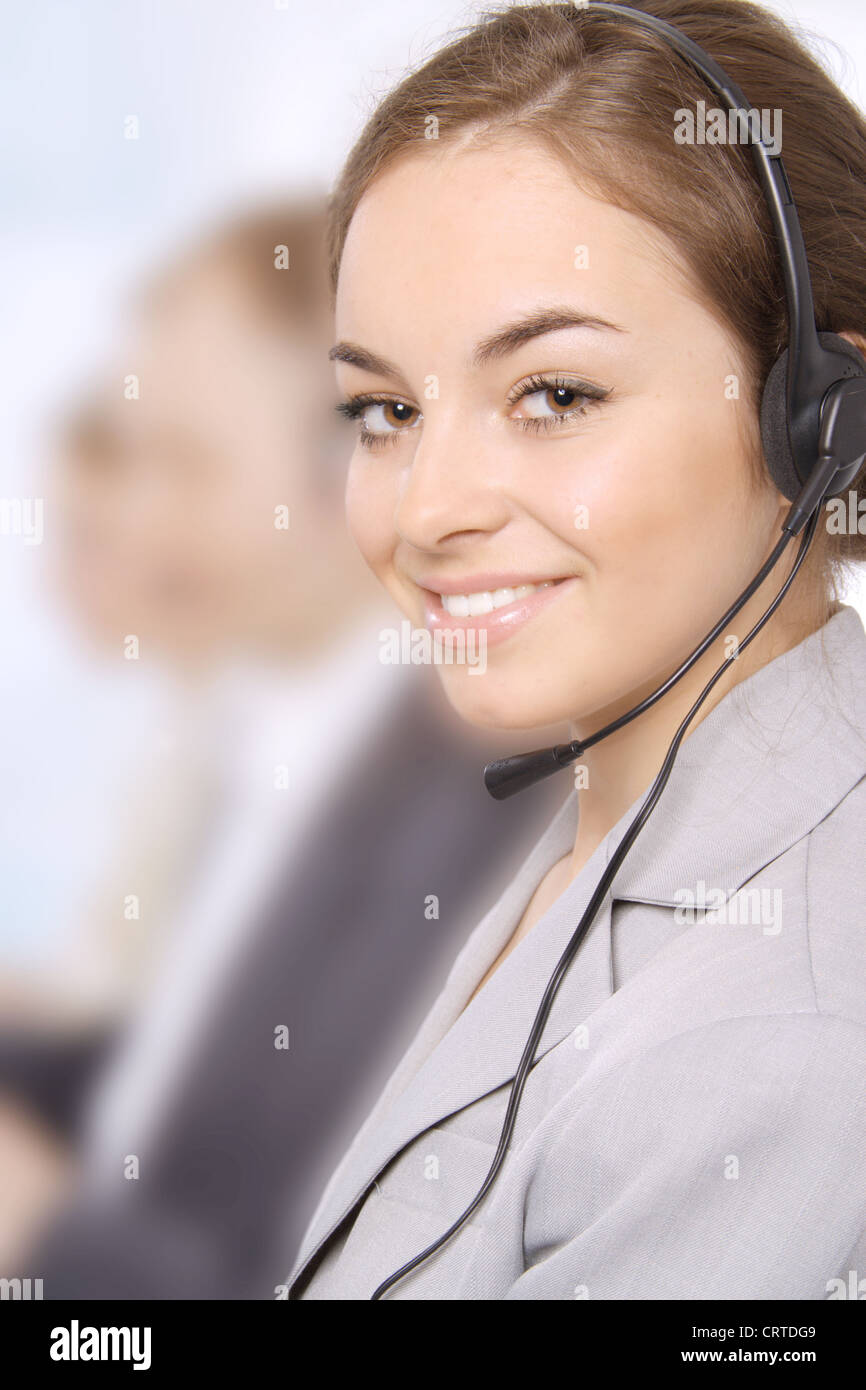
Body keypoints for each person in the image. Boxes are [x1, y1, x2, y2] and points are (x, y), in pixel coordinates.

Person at [284, 0, 866, 1300]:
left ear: (816, 427)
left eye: (553, 394)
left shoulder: (772, 1033)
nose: (427, 508)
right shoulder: (618, 799)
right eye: (382, 410)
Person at [0, 201, 560, 1294]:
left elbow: (303, 1263)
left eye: (189, 464)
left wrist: (40, 1227)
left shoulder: (476, 819)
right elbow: (157, 1101)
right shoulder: (261, 738)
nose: (140, 521)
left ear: (350, 463)